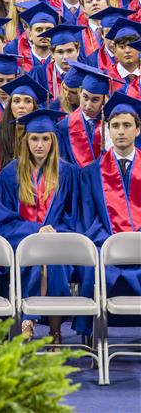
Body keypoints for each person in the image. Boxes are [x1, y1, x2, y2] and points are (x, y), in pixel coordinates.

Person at [0, 108, 78, 342]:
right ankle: (44, 328)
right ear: (25, 140)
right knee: (33, 259)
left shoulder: (67, 173)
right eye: (34, 139)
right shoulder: (10, 173)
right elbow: (3, 220)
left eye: (45, 139)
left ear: (53, 140)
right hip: (21, 243)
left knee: (53, 261)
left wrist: (54, 233)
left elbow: (73, 216)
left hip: (58, 243)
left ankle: (43, 326)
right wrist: (34, 231)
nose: (39, 145)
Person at [75, 92, 141, 335]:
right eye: (115, 126)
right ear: (107, 130)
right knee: (94, 264)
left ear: (138, 130)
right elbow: (87, 218)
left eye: (127, 125)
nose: (120, 131)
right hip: (105, 246)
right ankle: (92, 333)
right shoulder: (90, 173)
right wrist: (114, 243)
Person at [56, 61, 115, 167]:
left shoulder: (112, 124)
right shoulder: (63, 128)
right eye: (85, 97)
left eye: (95, 100)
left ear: (104, 99)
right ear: (80, 93)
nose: (88, 106)